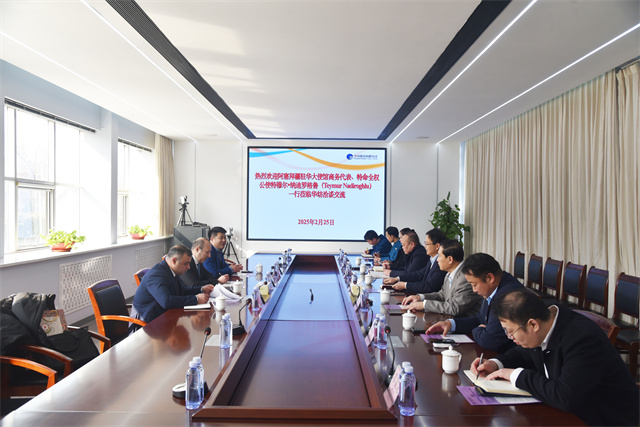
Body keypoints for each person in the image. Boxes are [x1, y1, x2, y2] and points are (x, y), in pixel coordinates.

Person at [471, 288, 639, 426]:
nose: (510, 337)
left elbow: (565, 397)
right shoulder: (547, 323)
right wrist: (496, 363)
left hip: (602, 419)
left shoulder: (582, 339)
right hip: (566, 412)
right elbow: (524, 352)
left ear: (533, 325)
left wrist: (515, 375)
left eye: (510, 331)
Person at [426, 253, 522, 353]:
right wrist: (451, 324)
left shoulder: (508, 297)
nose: (474, 290)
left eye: (474, 285)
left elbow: (490, 341)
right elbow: (479, 318)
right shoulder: (492, 287)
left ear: (490, 278)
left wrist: (477, 330)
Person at [132, 245, 213, 325]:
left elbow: (181, 290)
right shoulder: (156, 275)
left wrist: (201, 289)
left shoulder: (171, 270)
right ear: (174, 261)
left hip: (163, 316)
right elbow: (166, 301)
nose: (188, 267)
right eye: (186, 264)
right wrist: (195, 299)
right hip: (147, 324)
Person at [402, 239, 481, 317]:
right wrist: (420, 297)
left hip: (463, 322)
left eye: (439, 256)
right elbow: (442, 295)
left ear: (450, 259)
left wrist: (424, 305)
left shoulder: (465, 278)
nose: (437, 260)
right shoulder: (449, 273)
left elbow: (454, 308)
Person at [384, 228, 447, 294]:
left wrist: (405, 285)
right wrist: (397, 278)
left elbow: (429, 286)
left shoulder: (440, 263)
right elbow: (418, 274)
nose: (425, 246)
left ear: (437, 246)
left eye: (427, 244)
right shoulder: (432, 259)